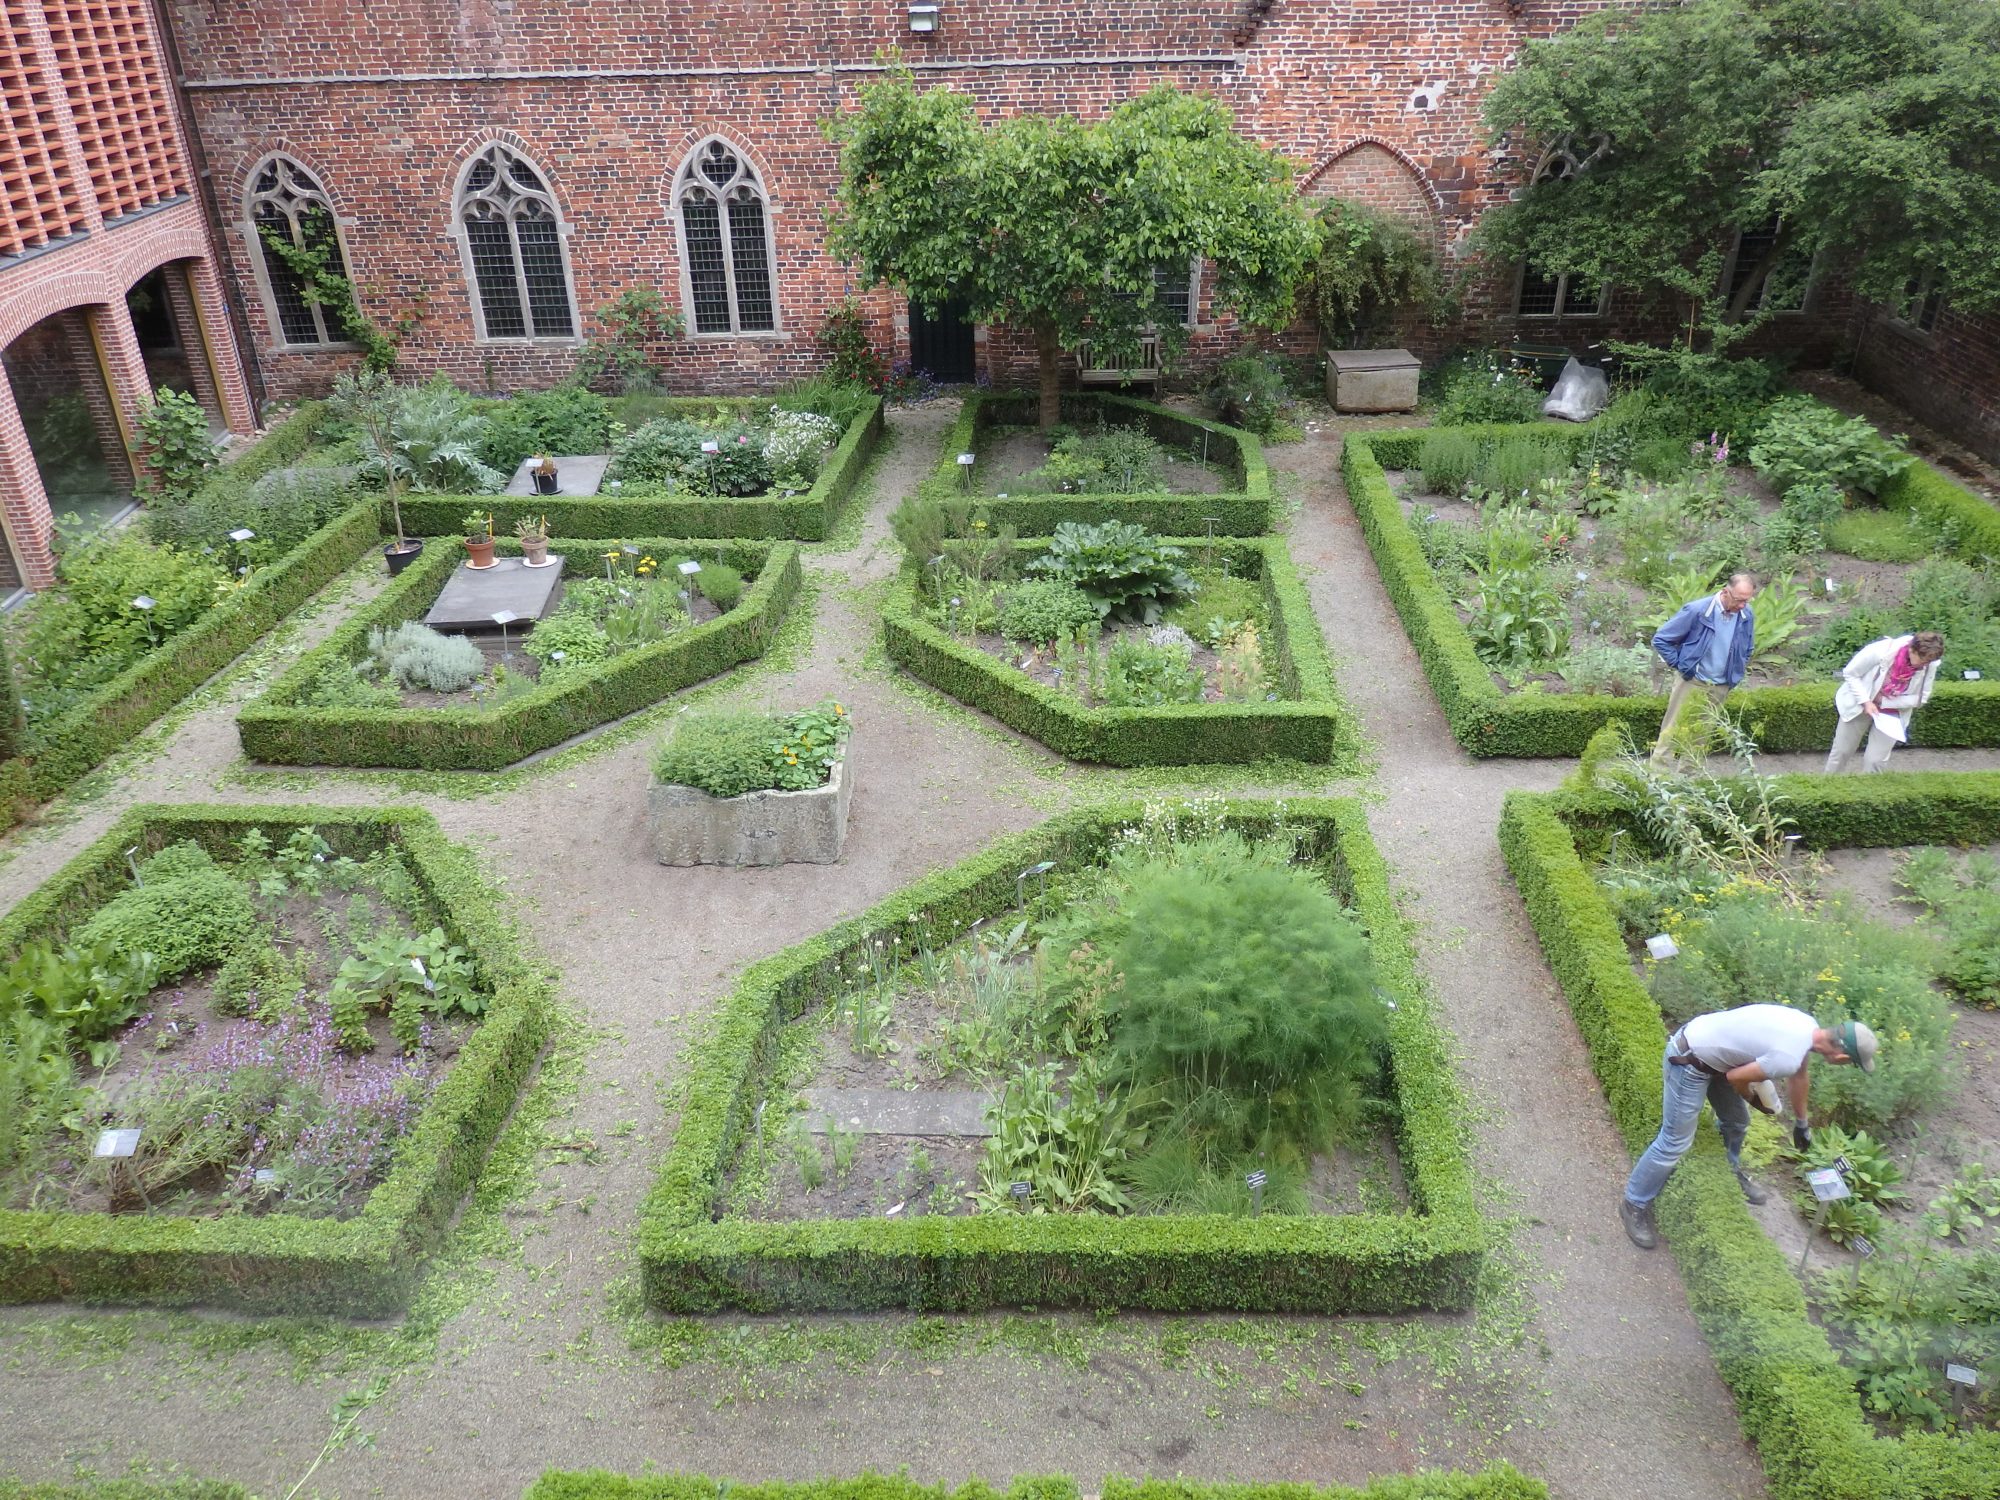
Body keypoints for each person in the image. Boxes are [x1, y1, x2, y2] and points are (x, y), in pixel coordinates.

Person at [1620, 1004, 1877, 1250]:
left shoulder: (1807, 1024)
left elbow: (1800, 1077)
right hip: (1690, 1061)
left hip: (1712, 1054)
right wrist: (1752, 1098)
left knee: (1737, 1122)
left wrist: (1802, 1124)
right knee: (1674, 1141)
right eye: (1851, 1063)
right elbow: (1736, 1078)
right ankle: (1633, 1202)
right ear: (1842, 1057)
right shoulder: (1787, 1056)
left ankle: (1729, 1169)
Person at [1650, 572, 1758, 761]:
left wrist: (1736, 670)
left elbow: (1747, 646)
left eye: (1746, 601)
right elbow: (1661, 639)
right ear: (1725, 591)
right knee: (1672, 731)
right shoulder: (1697, 610)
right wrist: (1682, 665)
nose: (1742, 605)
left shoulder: (1746, 614)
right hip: (1693, 682)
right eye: (1739, 600)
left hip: (1721, 686)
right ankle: (1658, 781)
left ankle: (1689, 783)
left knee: (1700, 738)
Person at [1827, 630, 1945, 774]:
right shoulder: (1879, 651)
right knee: (1841, 752)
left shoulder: (1929, 664)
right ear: (1911, 649)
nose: (1924, 665)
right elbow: (1850, 673)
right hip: (1859, 705)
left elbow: (1921, 698)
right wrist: (1865, 701)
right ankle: (1828, 787)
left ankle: (1869, 795)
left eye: (1929, 662)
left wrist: (1883, 702)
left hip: (1892, 714)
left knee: (1875, 761)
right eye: (1923, 660)